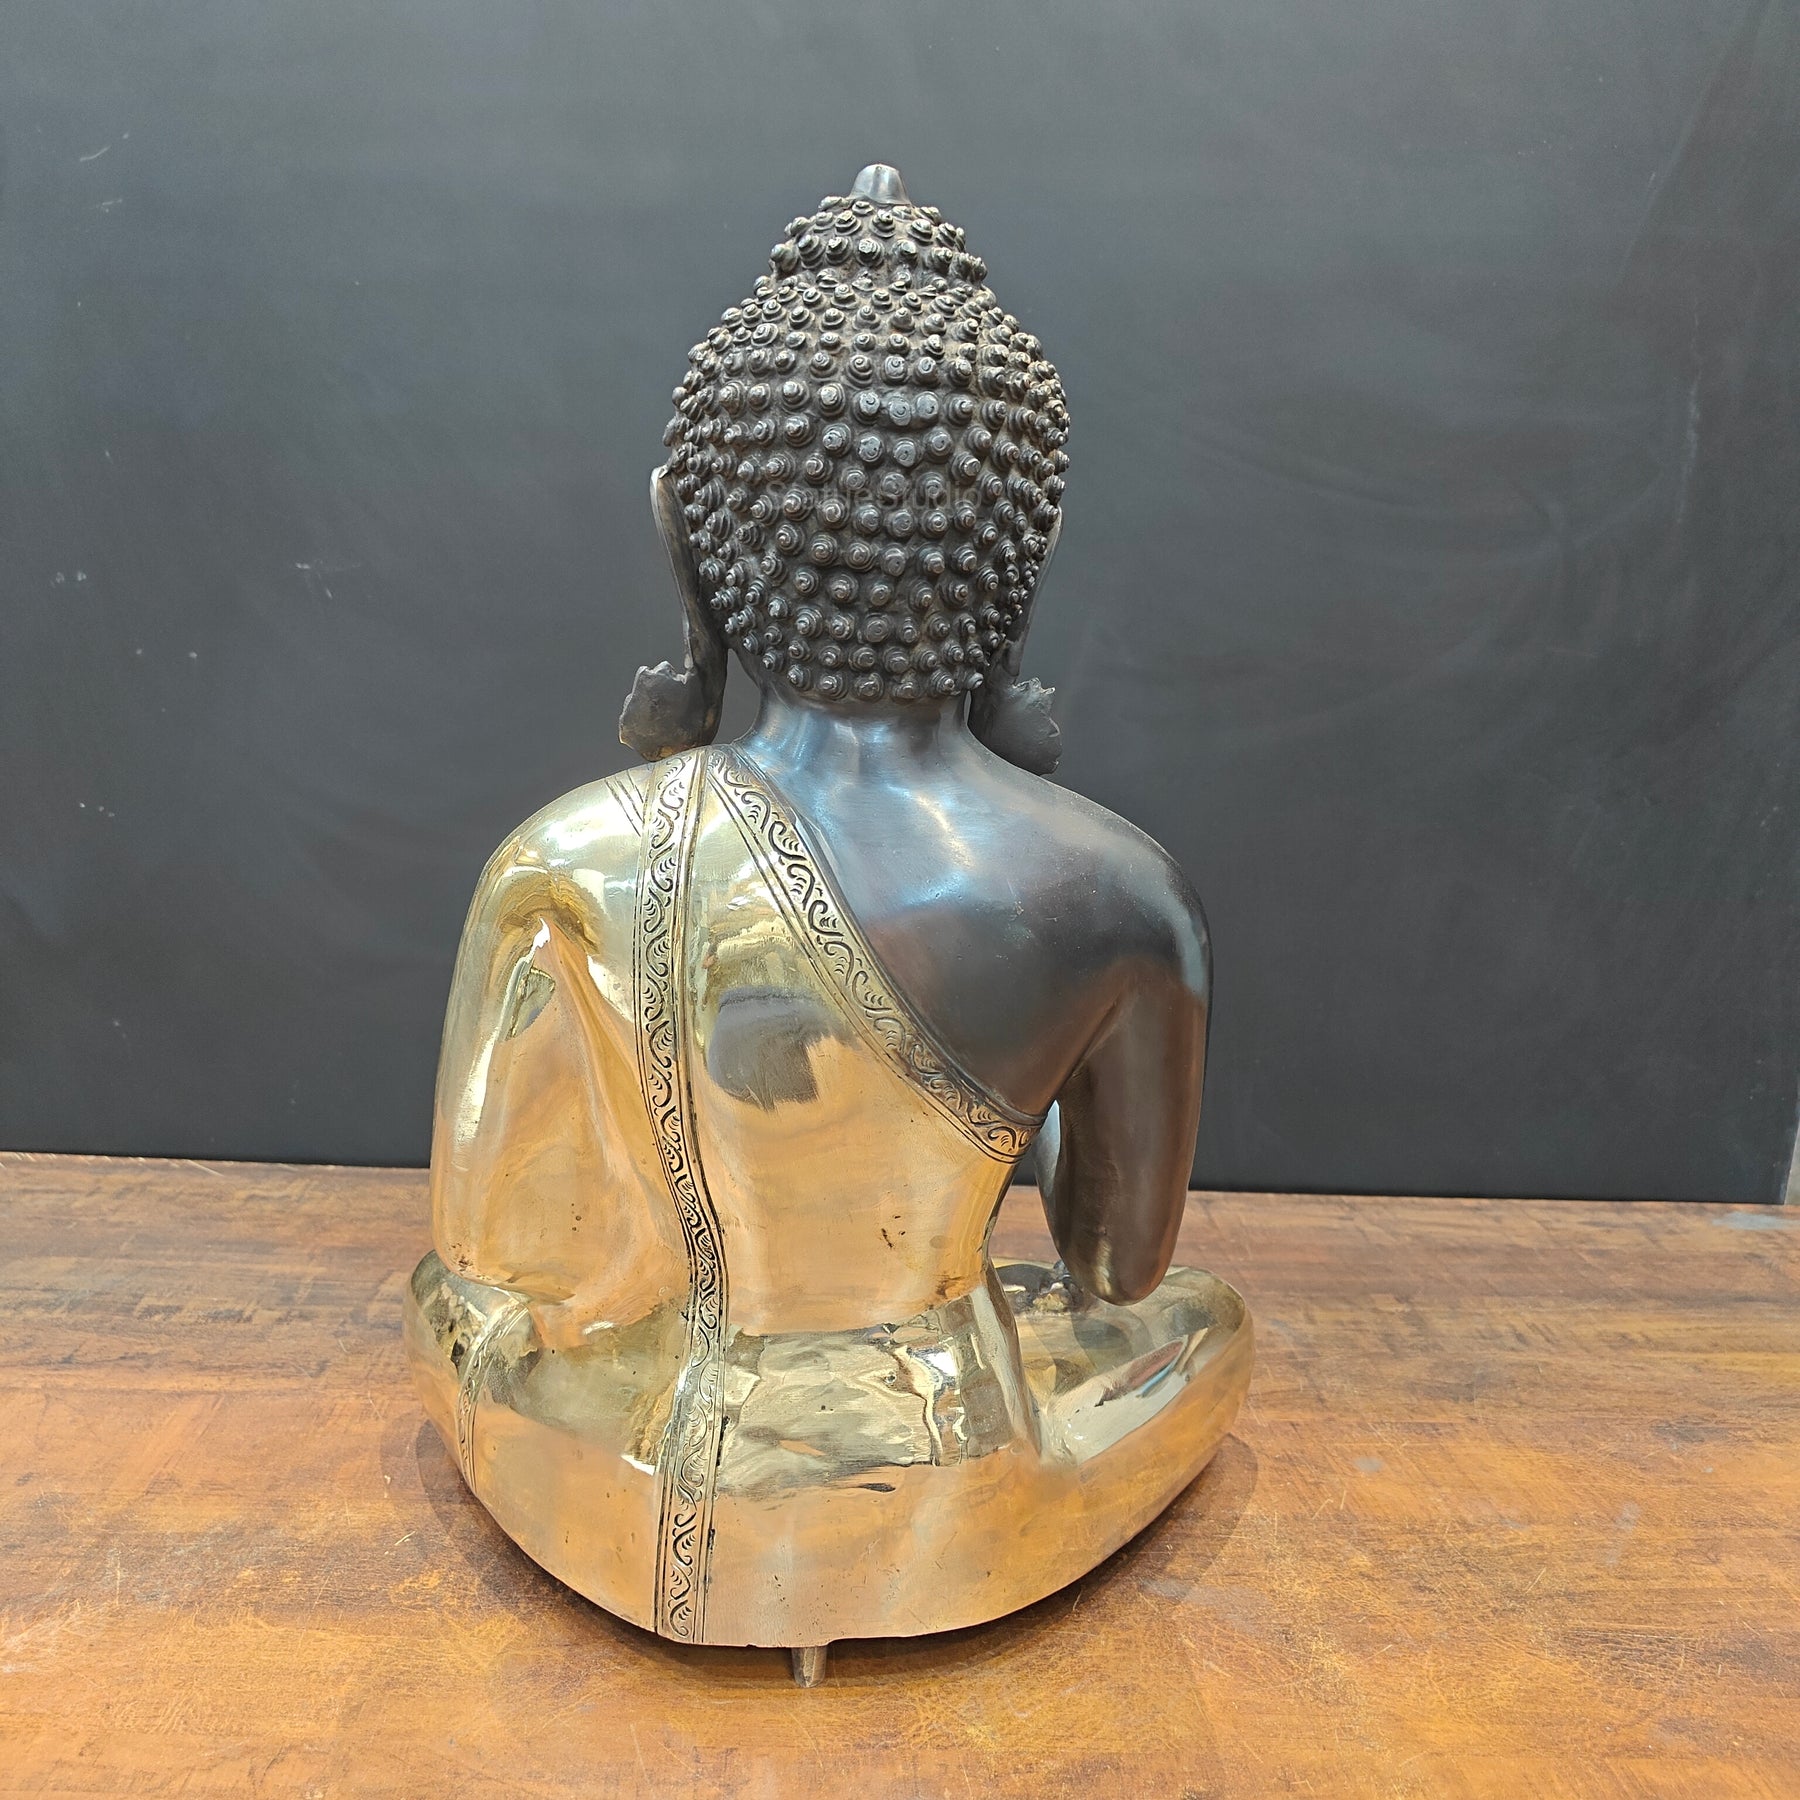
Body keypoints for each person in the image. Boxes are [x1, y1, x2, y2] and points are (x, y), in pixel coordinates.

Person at [405, 168, 1250, 1669]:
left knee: (448, 1321)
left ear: (687, 540)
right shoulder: (1121, 893)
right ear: (1022, 560)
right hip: (947, 1469)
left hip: (629, 1464)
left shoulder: (571, 860)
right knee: (1205, 1325)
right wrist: (1018, 1084)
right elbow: (1117, 1275)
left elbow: (497, 1270)